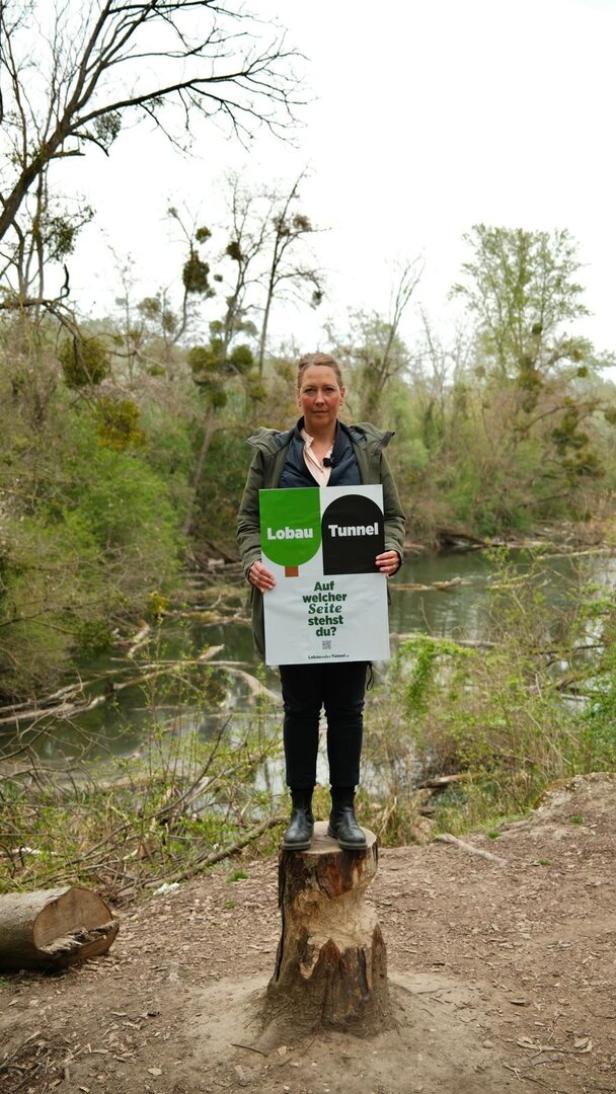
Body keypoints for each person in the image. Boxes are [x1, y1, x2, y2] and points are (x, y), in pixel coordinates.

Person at [237, 352, 405, 851]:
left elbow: (393, 517)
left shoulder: (368, 451)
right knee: (300, 709)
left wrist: (394, 550)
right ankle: (300, 810)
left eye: (328, 389)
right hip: (293, 607)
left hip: (353, 605)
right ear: (298, 396)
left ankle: (345, 810)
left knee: (349, 709)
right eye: (310, 389)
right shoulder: (273, 454)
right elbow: (248, 523)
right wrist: (252, 560)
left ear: (342, 394)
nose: (319, 398)